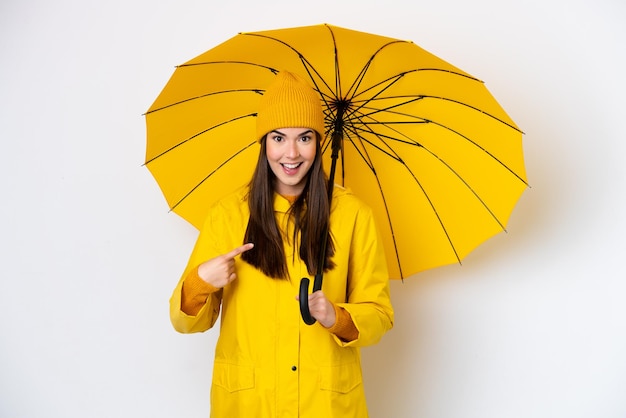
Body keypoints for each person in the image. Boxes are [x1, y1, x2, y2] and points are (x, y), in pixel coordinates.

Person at [169, 71, 394, 418]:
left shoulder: (352, 215)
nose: (291, 153)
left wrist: (337, 317)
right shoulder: (227, 215)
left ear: (319, 143)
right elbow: (185, 322)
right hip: (248, 402)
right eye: (278, 138)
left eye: (304, 138)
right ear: (264, 143)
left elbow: (380, 315)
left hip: (325, 405)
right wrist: (202, 281)